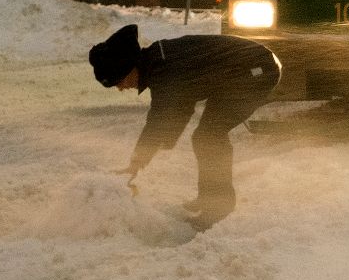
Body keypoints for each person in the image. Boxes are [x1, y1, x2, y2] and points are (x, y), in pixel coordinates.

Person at [89, 24, 281, 228]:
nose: (121, 88)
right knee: (205, 136)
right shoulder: (158, 63)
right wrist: (165, 141)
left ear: (128, 67)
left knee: (209, 136)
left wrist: (136, 163)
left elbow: (158, 120)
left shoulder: (164, 70)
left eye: (119, 81)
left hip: (257, 71)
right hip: (238, 74)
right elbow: (181, 107)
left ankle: (218, 207)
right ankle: (210, 197)